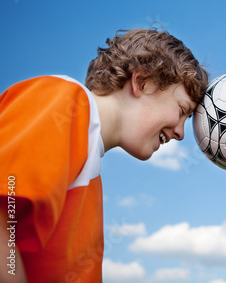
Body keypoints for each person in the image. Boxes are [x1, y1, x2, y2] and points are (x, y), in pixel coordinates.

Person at [0, 28, 209, 283]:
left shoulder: (90, 171)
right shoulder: (65, 102)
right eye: (181, 111)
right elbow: (5, 209)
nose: (180, 133)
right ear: (143, 82)